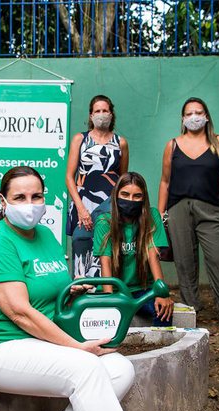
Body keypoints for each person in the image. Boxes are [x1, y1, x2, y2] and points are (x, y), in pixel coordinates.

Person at [0, 166, 142, 411]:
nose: (30, 204)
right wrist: (77, 347)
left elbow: (48, 287)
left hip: (40, 344)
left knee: (120, 369)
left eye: (36, 196)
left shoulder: (46, 235)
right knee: (86, 367)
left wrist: (69, 291)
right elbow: (19, 312)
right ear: (3, 200)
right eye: (20, 197)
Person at [157, 97, 219, 336]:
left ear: (207, 116)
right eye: (189, 113)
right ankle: (191, 313)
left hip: (211, 208)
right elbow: (165, 181)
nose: (194, 116)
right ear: (182, 118)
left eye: (199, 112)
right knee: (185, 263)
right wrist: (160, 214)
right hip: (178, 209)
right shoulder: (173, 145)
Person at [94, 172, 174, 326]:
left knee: (164, 313)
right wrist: (109, 300)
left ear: (143, 198)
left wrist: (162, 292)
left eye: (137, 196)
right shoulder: (104, 221)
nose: (130, 200)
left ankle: (159, 350)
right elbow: (105, 263)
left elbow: (153, 257)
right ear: (116, 195)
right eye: (125, 194)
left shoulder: (152, 216)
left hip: (143, 290)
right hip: (115, 289)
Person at [66, 94, 129, 278]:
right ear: (91, 115)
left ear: (112, 114)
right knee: (81, 243)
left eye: (105, 110)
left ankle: (106, 293)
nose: (102, 114)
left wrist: (119, 208)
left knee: (108, 247)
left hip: (110, 205)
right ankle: (80, 293)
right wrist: (81, 208)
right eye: (97, 111)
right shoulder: (80, 139)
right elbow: (69, 177)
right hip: (82, 203)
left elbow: (123, 180)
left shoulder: (121, 143)